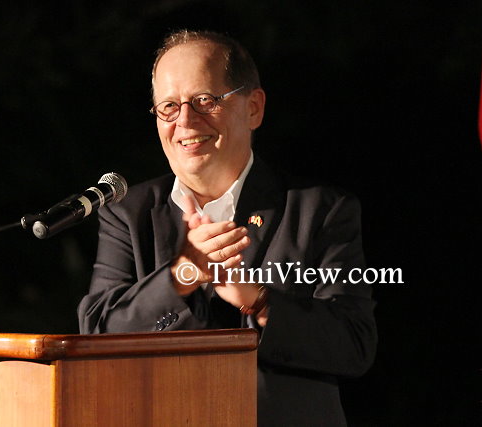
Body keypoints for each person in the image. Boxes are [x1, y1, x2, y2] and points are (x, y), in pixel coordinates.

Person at [78, 29, 377, 426]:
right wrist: (181, 276)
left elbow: (354, 345)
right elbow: (96, 337)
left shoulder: (320, 210)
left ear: (254, 108)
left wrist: (259, 300)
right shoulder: (127, 213)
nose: (185, 120)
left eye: (205, 100)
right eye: (168, 106)